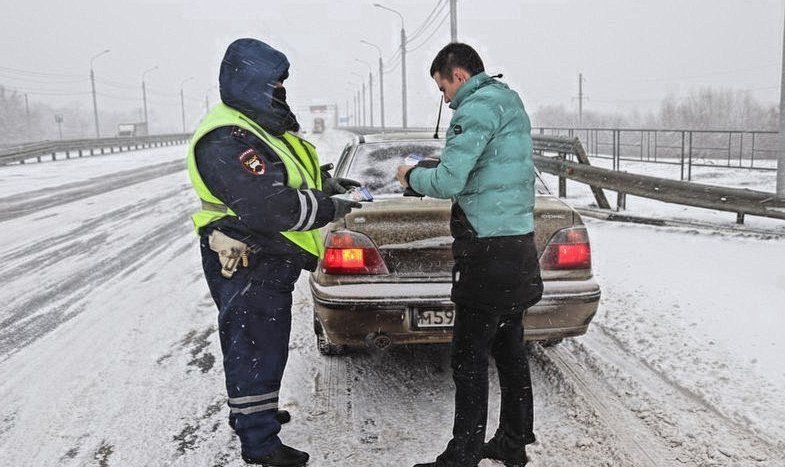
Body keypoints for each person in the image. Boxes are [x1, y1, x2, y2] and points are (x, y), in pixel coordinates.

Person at [186, 38, 361, 466]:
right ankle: (260, 443)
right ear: (251, 80)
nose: (281, 90)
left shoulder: (254, 126)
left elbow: (285, 176)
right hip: (248, 255)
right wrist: (328, 208)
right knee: (255, 346)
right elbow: (269, 205)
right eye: (276, 83)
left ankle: (254, 415)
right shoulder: (228, 137)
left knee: (261, 343)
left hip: (264, 256)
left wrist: (325, 185)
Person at [397, 43, 543, 467]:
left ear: (457, 75)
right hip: (517, 245)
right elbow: (481, 168)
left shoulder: (474, 107)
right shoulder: (507, 100)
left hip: (486, 251)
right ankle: (513, 442)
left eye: (442, 87)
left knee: (468, 357)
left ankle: (462, 456)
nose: (444, 99)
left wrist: (411, 175)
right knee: (510, 350)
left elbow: (447, 181)